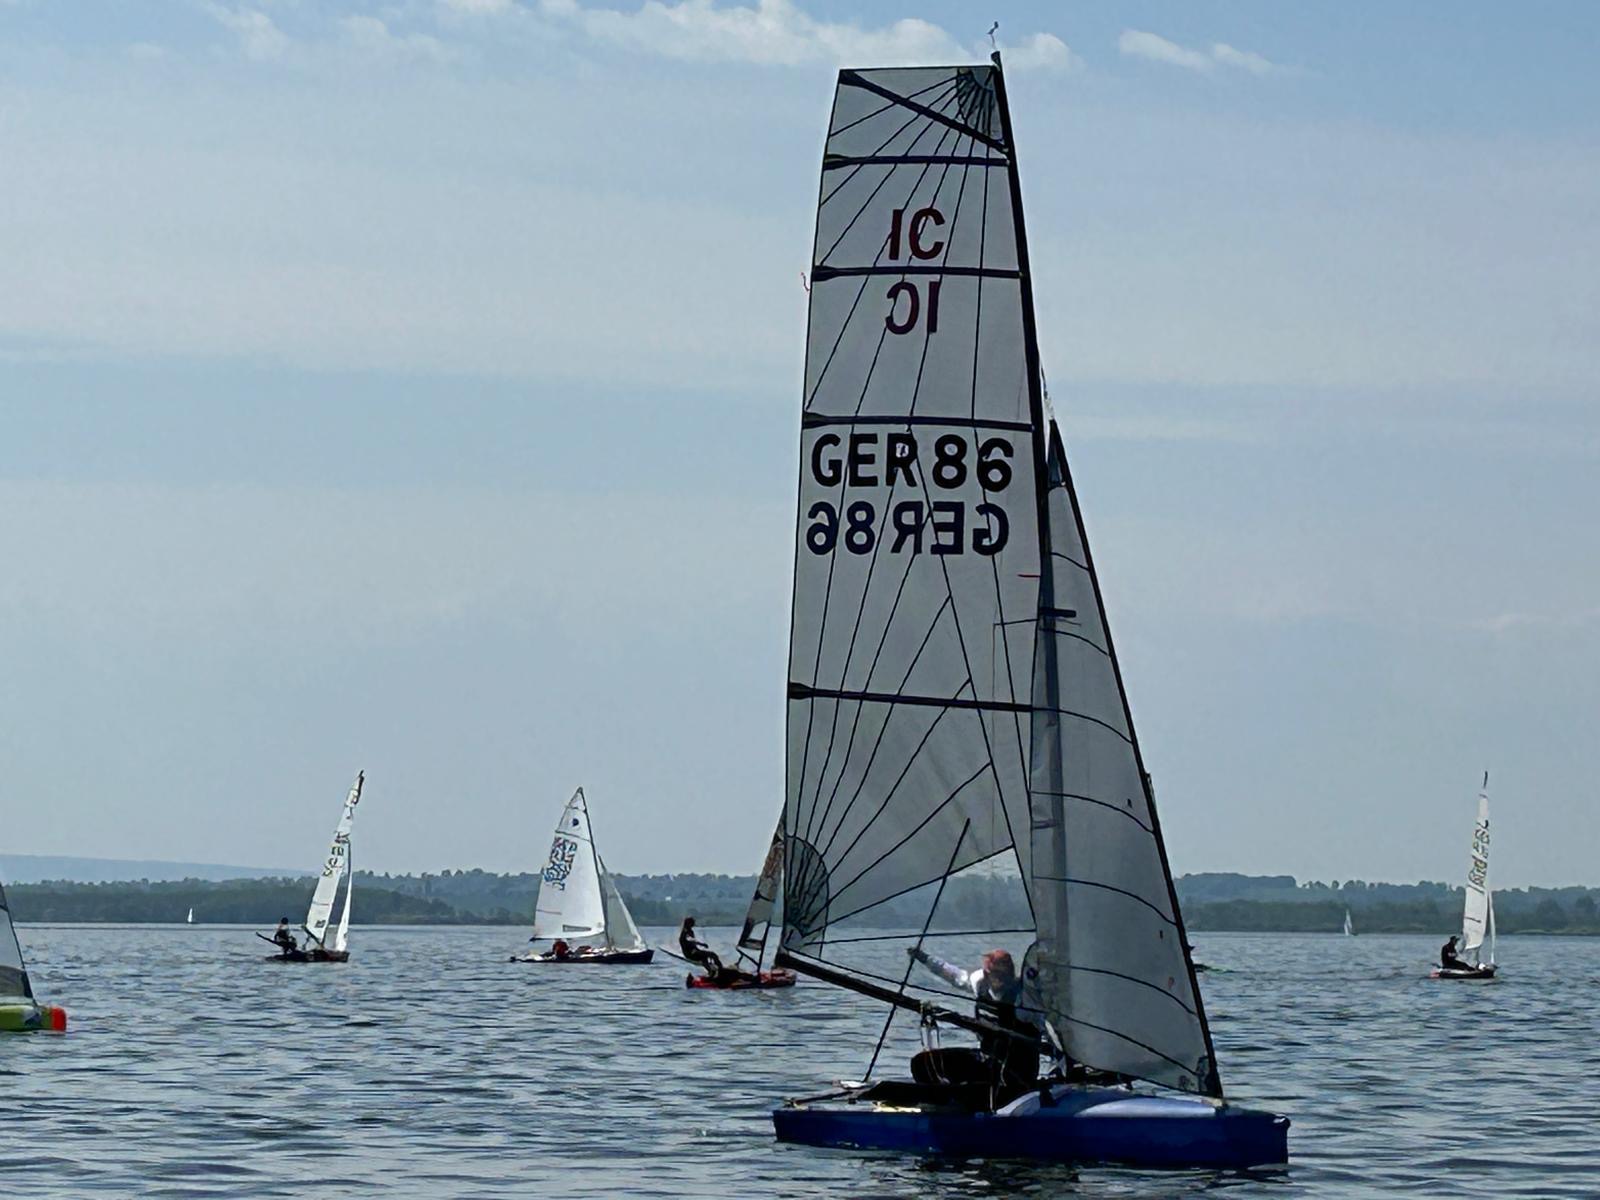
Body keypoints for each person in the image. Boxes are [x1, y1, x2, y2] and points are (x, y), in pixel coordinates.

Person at [906, 946, 1041, 1103]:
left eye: (1005, 974)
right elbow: (950, 974)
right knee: (922, 1063)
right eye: (996, 974)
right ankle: (940, 1105)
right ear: (987, 973)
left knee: (984, 1084)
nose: (1001, 979)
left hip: (1017, 1073)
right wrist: (923, 958)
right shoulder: (979, 983)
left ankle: (973, 1101)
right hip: (987, 1060)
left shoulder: (1024, 999)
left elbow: (1051, 1028)